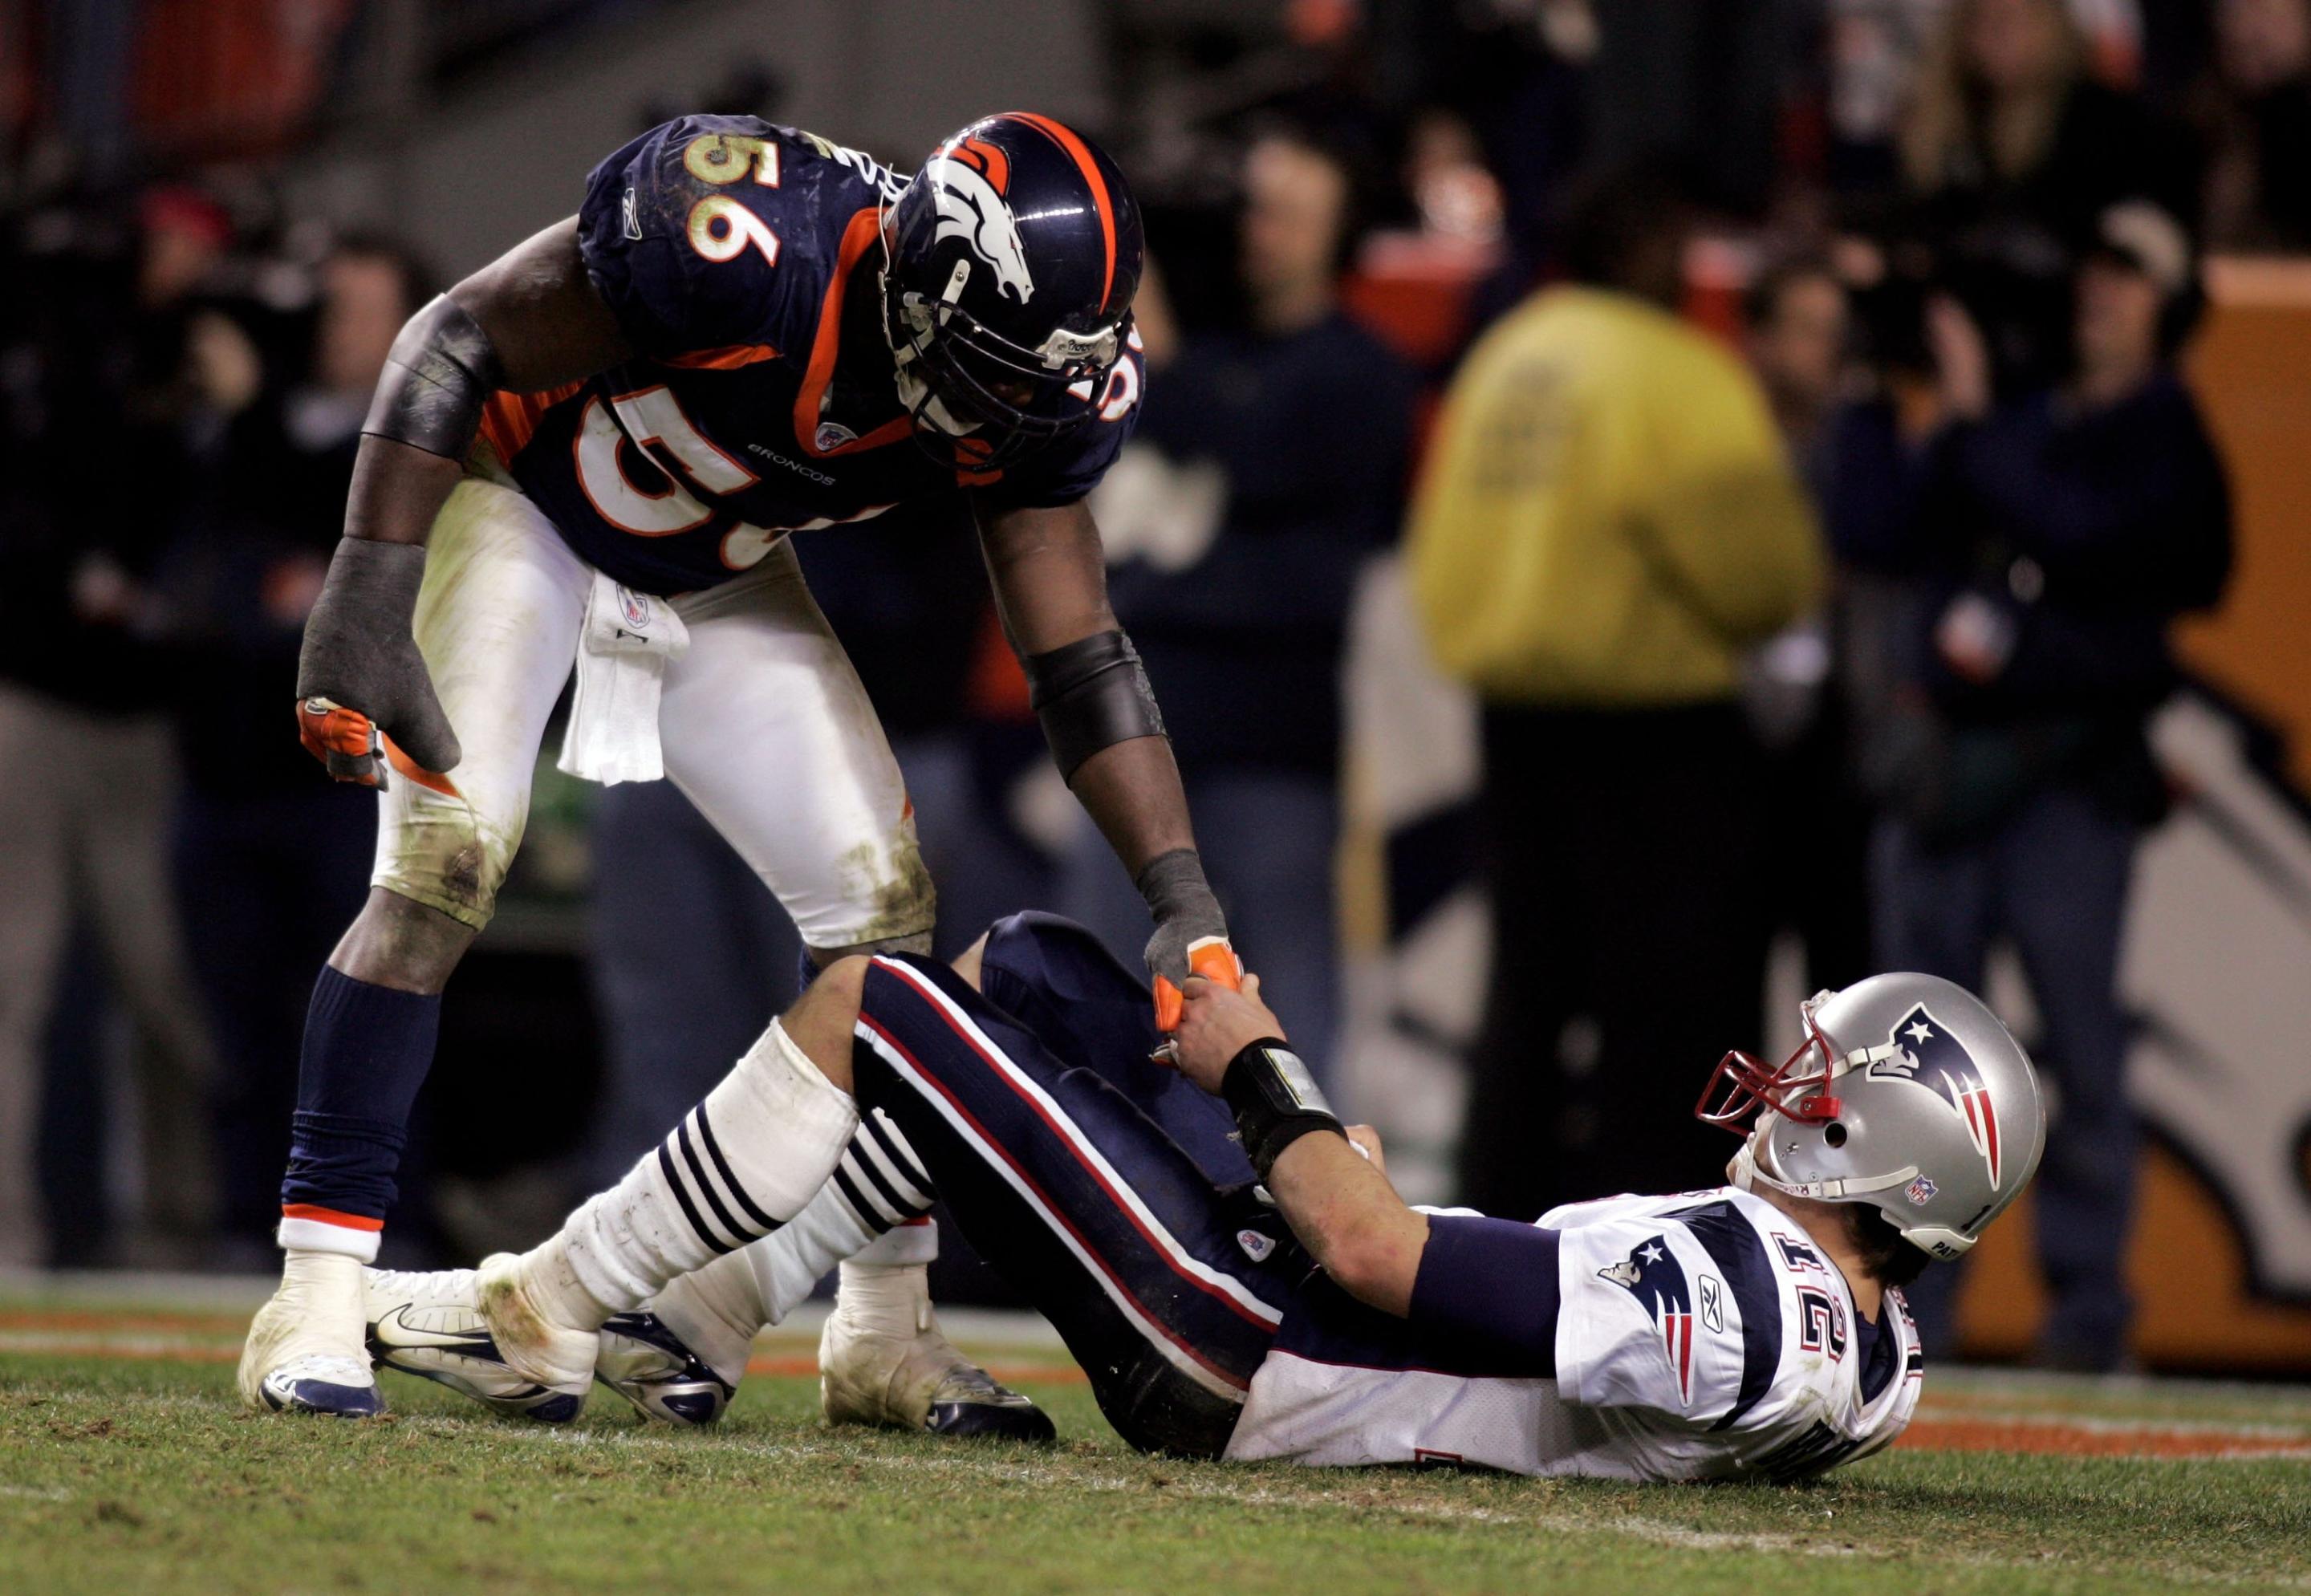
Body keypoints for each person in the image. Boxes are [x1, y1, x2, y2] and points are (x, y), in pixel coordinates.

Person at [238, 114, 1245, 1433]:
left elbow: (1079, 654)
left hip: (716, 565)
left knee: (885, 937)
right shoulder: (748, 237)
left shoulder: (1034, 390)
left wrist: (1178, 888)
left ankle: (884, 1326)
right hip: (528, 503)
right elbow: (456, 336)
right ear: (928, 292)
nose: (1021, 414)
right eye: (1001, 371)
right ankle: (314, 1291)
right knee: (443, 862)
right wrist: (366, 587)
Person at [355, 911, 2045, 1481]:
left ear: (1882, 1148)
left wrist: (1267, 1075)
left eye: (1820, 1085)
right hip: (1322, 1342)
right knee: (1036, 974)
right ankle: (750, 1325)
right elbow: (1475, 1297)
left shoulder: (1759, 1291)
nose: (1780, 1091)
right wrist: (1365, 1201)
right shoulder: (1869, 1349)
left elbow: (1377, 1264)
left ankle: (553, 1310)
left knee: (881, 1002)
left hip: (1259, 1347)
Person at [1838, 201, 2233, 1368]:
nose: (2097, 294)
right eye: (2091, 272)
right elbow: (1876, 526)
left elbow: (2085, 538)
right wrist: (1881, 385)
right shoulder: (2021, 419)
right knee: (1917, 1067)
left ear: (2172, 305)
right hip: (1956, 793)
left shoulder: (2161, 433)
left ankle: (2088, 1314)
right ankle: (1905, 1310)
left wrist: (1972, 424)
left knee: (2079, 1050)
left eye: (2129, 275)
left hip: (2067, 788)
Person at [1407, 164, 1822, 1219]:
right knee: (1676, 1014)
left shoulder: (1506, 359)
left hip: (1517, 722)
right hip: (1660, 736)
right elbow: (1762, 575)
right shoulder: (1676, 372)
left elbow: (1439, 556)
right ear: (1650, 251)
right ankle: (1665, 1240)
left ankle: (1499, 1227)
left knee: (1527, 1002)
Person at [1059, 126, 1415, 1086]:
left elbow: (1252, 455)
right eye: (1254, 210)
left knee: (1282, 995)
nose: (1260, 233)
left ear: (1338, 235)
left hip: (1273, 741)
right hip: (1153, 725)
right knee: (1107, 985)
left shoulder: (1359, 371)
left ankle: (1311, 1198)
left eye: (1290, 215)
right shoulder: (1217, 352)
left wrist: (1160, 354)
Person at [169, 238, 430, 1261]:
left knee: (365, 1008)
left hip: (350, 782)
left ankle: (386, 1229)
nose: (336, 326)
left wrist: (243, 422)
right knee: (238, 1021)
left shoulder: (415, 430)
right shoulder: (245, 425)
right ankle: (249, 1225)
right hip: (228, 771)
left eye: (363, 308)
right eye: (327, 305)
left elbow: (338, 550)